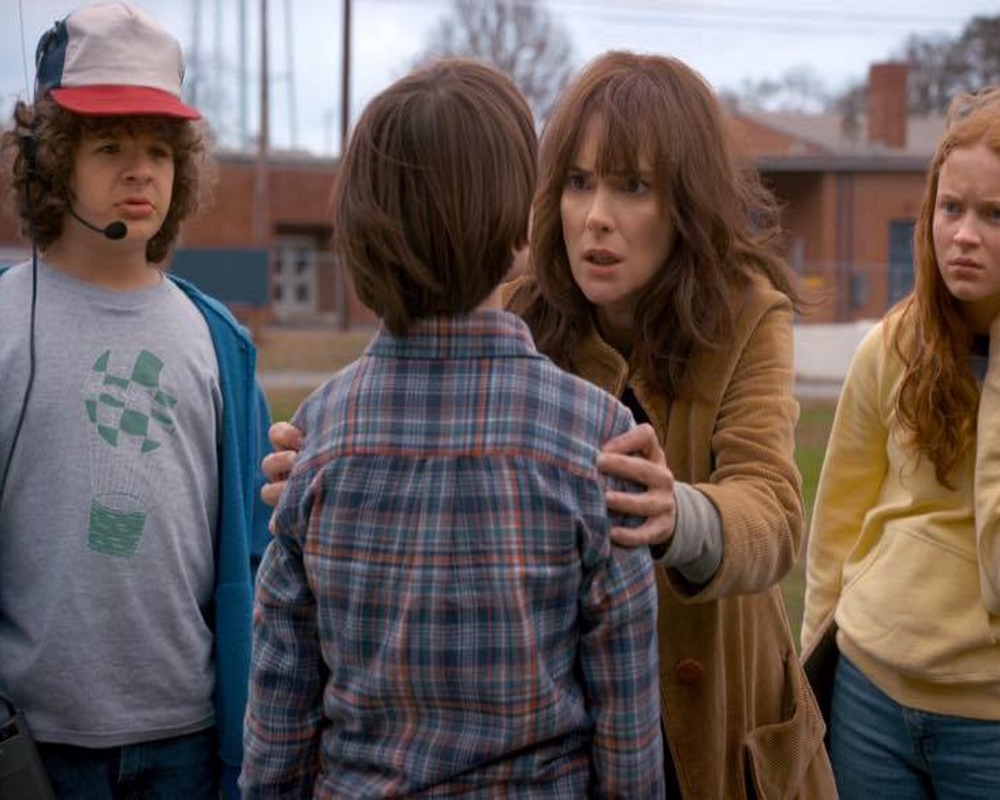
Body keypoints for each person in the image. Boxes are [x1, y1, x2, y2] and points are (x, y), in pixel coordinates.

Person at [263, 51, 836, 798]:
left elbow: (774, 507)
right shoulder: (518, 306)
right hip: (572, 721)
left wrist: (679, 515)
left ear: (686, 201)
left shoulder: (747, 314)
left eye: (632, 186)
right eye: (577, 181)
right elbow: (424, 421)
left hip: (715, 716)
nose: (596, 215)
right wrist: (325, 462)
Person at [240, 58, 665, 798]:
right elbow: (627, 731)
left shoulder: (315, 441)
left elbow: (278, 715)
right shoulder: (598, 436)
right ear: (521, 224)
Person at [0, 3, 272, 798]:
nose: (140, 170)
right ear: (50, 161)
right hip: (33, 749)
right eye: (109, 146)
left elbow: (257, 554)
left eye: (158, 149)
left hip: (188, 745)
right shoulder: (5, 327)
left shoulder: (219, 343)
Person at [801, 86, 1000, 798]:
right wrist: (809, 670)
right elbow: (835, 526)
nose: (964, 235)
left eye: (994, 215)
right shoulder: (890, 347)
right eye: (951, 209)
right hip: (871, 697)